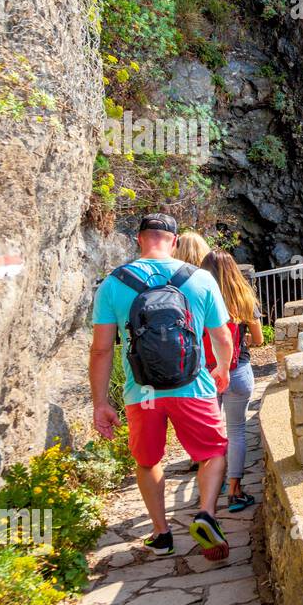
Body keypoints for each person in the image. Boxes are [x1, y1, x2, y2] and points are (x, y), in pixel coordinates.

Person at [90, 213, 233, 561]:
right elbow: (222, 335)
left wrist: (100, 403)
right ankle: (206, 514)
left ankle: (161, 533)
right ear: (175, 240)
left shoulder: (113, 284)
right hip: (193, 387)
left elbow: (102, 349)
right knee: (212, 453)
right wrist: (223, 369)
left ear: (139, 240)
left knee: (148, 460)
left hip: (143, 393)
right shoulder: (199, 279)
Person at [202, 249, 263, 513]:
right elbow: (260, 339)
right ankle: (235, 490)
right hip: (238, 371)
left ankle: (212, 491)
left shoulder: (197, 298)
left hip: (205, 374)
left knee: (211, 434)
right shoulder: (243, 297)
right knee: (237, 431)